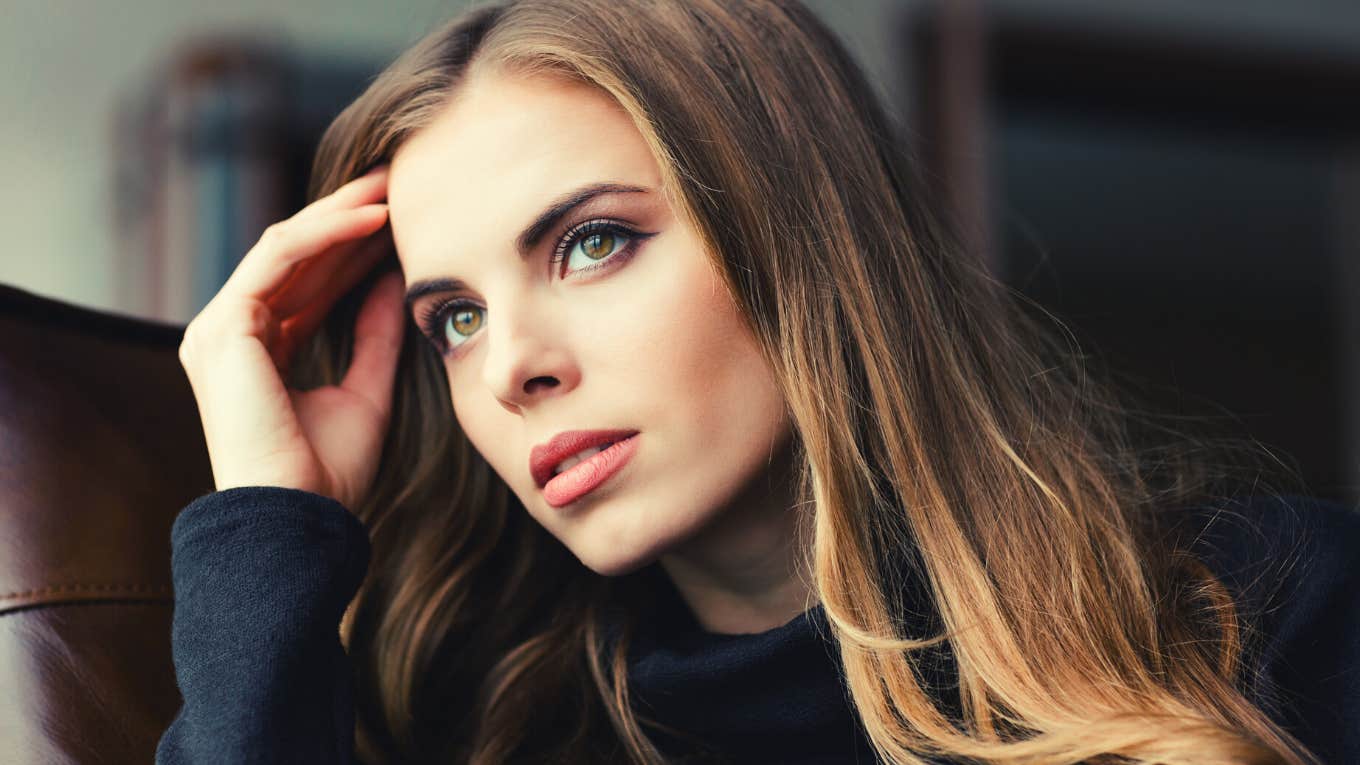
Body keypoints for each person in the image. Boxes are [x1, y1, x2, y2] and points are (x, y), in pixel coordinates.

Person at [156, 0, 1360, 763]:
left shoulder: (1272, 614)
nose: (515, 365)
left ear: (796, 235)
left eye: (591, 243)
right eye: (454, 319)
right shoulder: (471, 726)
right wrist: (270, 521)